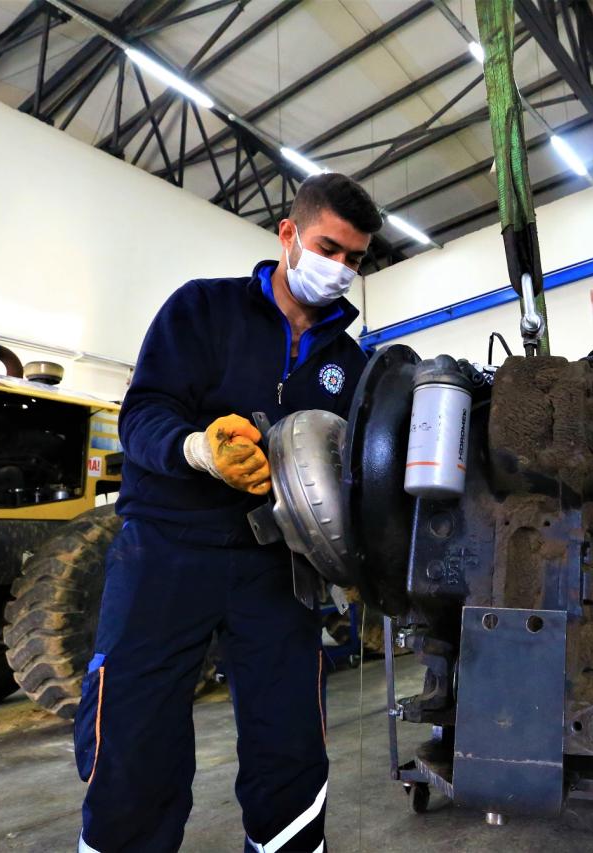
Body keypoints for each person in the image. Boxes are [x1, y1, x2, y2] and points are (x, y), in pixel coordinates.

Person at [74, 173, 381, 853]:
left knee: (289, 740)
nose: (342, 269)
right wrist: (196, 449)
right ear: (288, 234)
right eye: (331, 248)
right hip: (166, 548)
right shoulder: (201, 311)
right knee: (135, 731)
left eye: (357, 259)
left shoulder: (350, 364)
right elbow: (142, 413)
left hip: (277, 563)